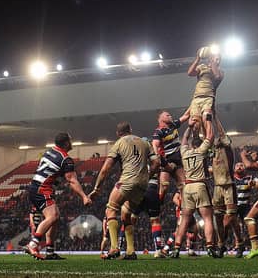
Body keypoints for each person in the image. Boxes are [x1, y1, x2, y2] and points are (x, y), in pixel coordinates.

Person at [90, 122, 160, 260]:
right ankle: (130, 251)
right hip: (142, 185)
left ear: (118, 133)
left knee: (110, 209)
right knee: (126, 215)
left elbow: (105, 169)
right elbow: (156, 162)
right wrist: (148, 176)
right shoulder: (144, 143)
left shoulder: (119, 143)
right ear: (131, 130)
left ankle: (114, 248)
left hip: (127, 181)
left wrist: (96, 188)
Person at [25, 132, 92, 260]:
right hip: (42, 189)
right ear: (66, 143)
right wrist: (84, 196)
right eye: (70, 140)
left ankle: (50, 251)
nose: (72, 143)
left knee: (55, 218)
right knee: (53, 216)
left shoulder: (48, 152)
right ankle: (32, 244)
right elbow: (72, 180)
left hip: (35, 186)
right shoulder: (66, 159)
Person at [171, 117, 218, 258]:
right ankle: (210, 247)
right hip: (199, 185)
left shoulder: (184, 152)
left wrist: (190, 127)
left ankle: (176, 249)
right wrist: (209, 121)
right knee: (208, 218)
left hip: (187, 187)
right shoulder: (200, 151)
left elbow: (184, 138)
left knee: (184, 219)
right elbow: (210, 136)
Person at [211, 114, 243, 257]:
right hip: (217, 187)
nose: (218, 139)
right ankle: (225, 245)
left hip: (229, 185)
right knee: (218, 217)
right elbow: (208, 136)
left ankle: (232, 244)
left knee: (230, 217)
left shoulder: (227, 149)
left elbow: (221, 133)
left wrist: (215, 117)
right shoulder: (213, 152)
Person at [152, 109, 190, 201]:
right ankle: (159, 204)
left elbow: (185, 115)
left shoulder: (173, 125)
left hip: (178, 159)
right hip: (167, 161)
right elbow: (155, 145)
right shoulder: (158, 132)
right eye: (167, 115)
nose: (170, 116)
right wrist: (160, 160)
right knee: (164, 186)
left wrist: (194, 103)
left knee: (184, 186)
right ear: (160, 119)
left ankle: (183, 208)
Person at [187, 49, 223, 137]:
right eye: (215, 58)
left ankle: (209, 141)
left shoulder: (220, 72)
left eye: (218, 59)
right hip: (197, 97)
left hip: (208, 98)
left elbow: (217, 76)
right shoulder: (202, 66)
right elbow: (190, 73)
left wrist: (212, 62)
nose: (216, 60)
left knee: (206, 119)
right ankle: (196, 142)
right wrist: (197, 59)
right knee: (196, 124)